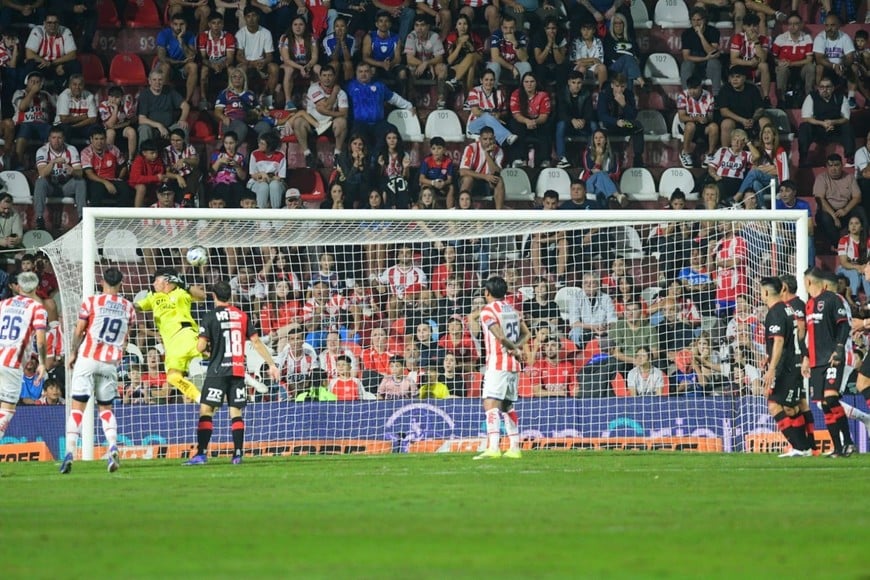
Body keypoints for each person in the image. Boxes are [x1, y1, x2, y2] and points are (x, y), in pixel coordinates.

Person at [184, 280, 279, 465]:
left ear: (213, 296)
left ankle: (201, 454)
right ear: (231, 296)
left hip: (218, 370)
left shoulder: (210, 317)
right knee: (235, 412)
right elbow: (257, 342)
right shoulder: (242, 316)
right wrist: (271, 364)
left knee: (206, 410)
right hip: (237, 371)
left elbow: (201, 345)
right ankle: (237, 455)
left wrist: (203, 347)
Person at [60, 268, 136, 474]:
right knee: (106, 409)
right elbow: (126, 337)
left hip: (88, 358)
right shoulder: (129, 308)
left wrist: (73, 352)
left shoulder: (91, 302)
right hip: (109, 363)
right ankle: (112, 446)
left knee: (77, 408)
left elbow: (79, 330)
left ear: (102, 282)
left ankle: (69, 453)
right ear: (122, 284)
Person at [468, 275, 530, 459]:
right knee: (507, 405)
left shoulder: (488, 311)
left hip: (498, 364)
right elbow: (527, 334)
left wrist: (514, 350)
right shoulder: (511, 309)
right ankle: (514, 448)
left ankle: (493, 448)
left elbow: (500, 337)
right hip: (512, 366)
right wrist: (516, 348)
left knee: (490, 403)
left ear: (487, 292)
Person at [802, 268, 855, 457]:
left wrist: (839, 349)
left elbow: (844, 324)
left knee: (831, 398)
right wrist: (806, 358)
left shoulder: (832, 299)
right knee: (824, 404)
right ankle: (838, 448)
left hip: (832, 357)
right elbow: (810, 335)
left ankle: (848, 441)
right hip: (816, 362)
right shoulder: (809, 305)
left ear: (809, 282)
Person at [759, 276, 812, 457]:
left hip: (786, 366)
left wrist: (772, 368)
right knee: (792, 407)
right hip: (793, 362)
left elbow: (780, 340)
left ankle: (799, 447)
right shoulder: (788, 309)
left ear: (766, 292)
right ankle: (805, 447)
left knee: (775, 405)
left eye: (761, 291)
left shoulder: (775, 312)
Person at [135, 269, 206, 403]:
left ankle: (239, 377)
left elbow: (202, 296)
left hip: (187, 334)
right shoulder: (152, 297)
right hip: (172, 346)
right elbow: (136, 306)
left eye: (157, 280)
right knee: (173, 377)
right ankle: (199, 397)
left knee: (216, 358)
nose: (154, 283)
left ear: (166, 280)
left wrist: (183, 284)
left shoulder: (181, 292)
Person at [0, 272, 47, 445]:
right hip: (13, 362)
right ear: (36, 287)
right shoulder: (37, 308)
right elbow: (41, 341)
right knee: (8, 407)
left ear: (18, 286)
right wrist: (42, 363)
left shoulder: (3, 304)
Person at [34, 124, 86, 228]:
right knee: (40, 181)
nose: (56, 141)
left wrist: (73, 171)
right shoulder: (42, 151)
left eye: (59, 138)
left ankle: (82, 217)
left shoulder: (71, 149)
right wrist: (52, 162)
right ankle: (39, 218)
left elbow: (80, 173)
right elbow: (42, 173)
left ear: (64, 139)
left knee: (80, 182)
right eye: (53, 138)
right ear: (49, 138)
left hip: (66, 185)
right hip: (50, 186)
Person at [797, 76, 855, 167]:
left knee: (847, 126)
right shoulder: (812, 97)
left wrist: (833, 122)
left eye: (828, 87)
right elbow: (806, 118)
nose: (825, 89)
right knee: (804, 126)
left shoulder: (840, 97)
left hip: (835, 129)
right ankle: (803, 158)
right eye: (822, 87)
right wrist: (822, 123)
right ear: (818, 88)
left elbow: (846, 118)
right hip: (818, 130)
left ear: (832, 88)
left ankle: (850, 158)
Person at [813, 153, 865, 251]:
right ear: (827, 167)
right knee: (824, 217)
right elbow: (820, 199)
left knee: (860, 210)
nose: (833, 169)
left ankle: (864, 243)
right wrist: (834, 216)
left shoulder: (849, 177)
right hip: (828, 212)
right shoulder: (821, 178)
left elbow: (857, 197)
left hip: (845, 211)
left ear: (841, 165)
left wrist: (845, 210)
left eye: (836, 165)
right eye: (830, 166)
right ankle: (839, 245)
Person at [81, 125, 134, 208]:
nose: (99, 142)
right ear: (91, 139)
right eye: (96, 139)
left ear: (105, 139)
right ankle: (96, 218)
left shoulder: (113, 149)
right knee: (97, 189)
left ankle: (121, 218)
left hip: (112, 179)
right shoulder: (86, 152)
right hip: (96, 181)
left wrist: (119, 178)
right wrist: (106, 183)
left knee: (125, 188)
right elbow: (89, 174)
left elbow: (123, 166)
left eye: (102, 139)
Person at [137, 70, 191, 147]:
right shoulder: (144, 94)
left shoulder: (169, 91)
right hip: (152, 127)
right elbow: (141, 119)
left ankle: (185, 155)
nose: (157, 82)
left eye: (160, 80)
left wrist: (182, 119)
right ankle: (142, 156)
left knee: (183, 128)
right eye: (154, 80)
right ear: (149, 81)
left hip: (170, 126)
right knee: (144, 129)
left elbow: (186, 106)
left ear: (163, 81)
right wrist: (159, 126)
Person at [771, 12, 814, 107]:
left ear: (801, 25)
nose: (792, 26)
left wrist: (791, 64)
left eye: (795, 24)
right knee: (782, 69)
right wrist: (779, 62)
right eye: (790, 24)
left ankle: (809, 98)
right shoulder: (781, 38)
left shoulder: (807, 38)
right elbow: (773, 57)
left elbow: (809, 60)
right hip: (785, 69)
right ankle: (781, 100)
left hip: (801, 69)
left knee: (810, 67)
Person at [675, 75, 718, 169]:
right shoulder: (682, 96)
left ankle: (710, 155)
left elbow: (711, 117)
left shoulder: (709, 96)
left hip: (703, 127)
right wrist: (696, 119)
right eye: (690, 88)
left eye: (695, 88)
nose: (692, 92)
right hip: (687, 127)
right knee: (690, 126)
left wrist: (706, 119)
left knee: (714, 126)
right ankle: (685, 153)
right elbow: (682, 117)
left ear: (700, 87)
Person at [555, 69, 595, 169]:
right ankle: (562, 159)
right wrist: (572, 120)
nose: (576, 86)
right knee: (560, 125)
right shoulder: (562, 93)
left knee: (594, 125)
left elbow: (589, 112)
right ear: (569, 82)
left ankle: (593, 156)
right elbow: (561, 112)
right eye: (573, 82)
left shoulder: (586, 94)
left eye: (579, 83)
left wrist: (584, 120)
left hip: (582, 124)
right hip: (568, 124)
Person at [458, 126, 505, 210]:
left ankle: (499, 216)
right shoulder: (471, 148)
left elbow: (496, 172)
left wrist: (487, 154)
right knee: (468, 179)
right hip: (474, 181)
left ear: (494, 139)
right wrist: (485, 176)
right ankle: (463, 213)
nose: (488, 142)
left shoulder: (499, 151)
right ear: (480, 139)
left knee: (499, 180)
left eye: (490, 139)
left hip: (488, 183)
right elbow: (462, 171)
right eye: (485, 139)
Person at [680, 7, 722, 96]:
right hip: (694, 67)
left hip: (708, 67)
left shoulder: (713, 31)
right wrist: (705, 58)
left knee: (714, 62)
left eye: (699, 20)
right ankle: (686, 95)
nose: (696, 23)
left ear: (704, 20)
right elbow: (686, 56)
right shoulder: (686, 34)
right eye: (693, 20)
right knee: (686, 64)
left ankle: (716, 96)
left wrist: (701, 36)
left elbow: (712, 52)